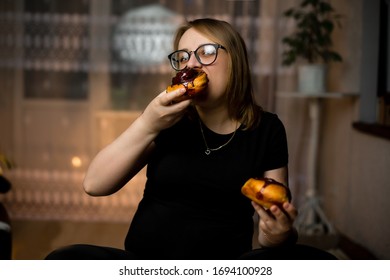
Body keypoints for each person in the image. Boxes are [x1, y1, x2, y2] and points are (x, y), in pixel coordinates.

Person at [46, 18, 300, 260]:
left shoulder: (267, 129)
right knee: (63, 259)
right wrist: (148, 123)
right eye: (183, 56)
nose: (191, 65)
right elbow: (94, 185)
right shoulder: (168, 118)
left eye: (206, 51)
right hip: (142, 264)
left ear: (236, 60)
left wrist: (277, 233)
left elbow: (272, 232)